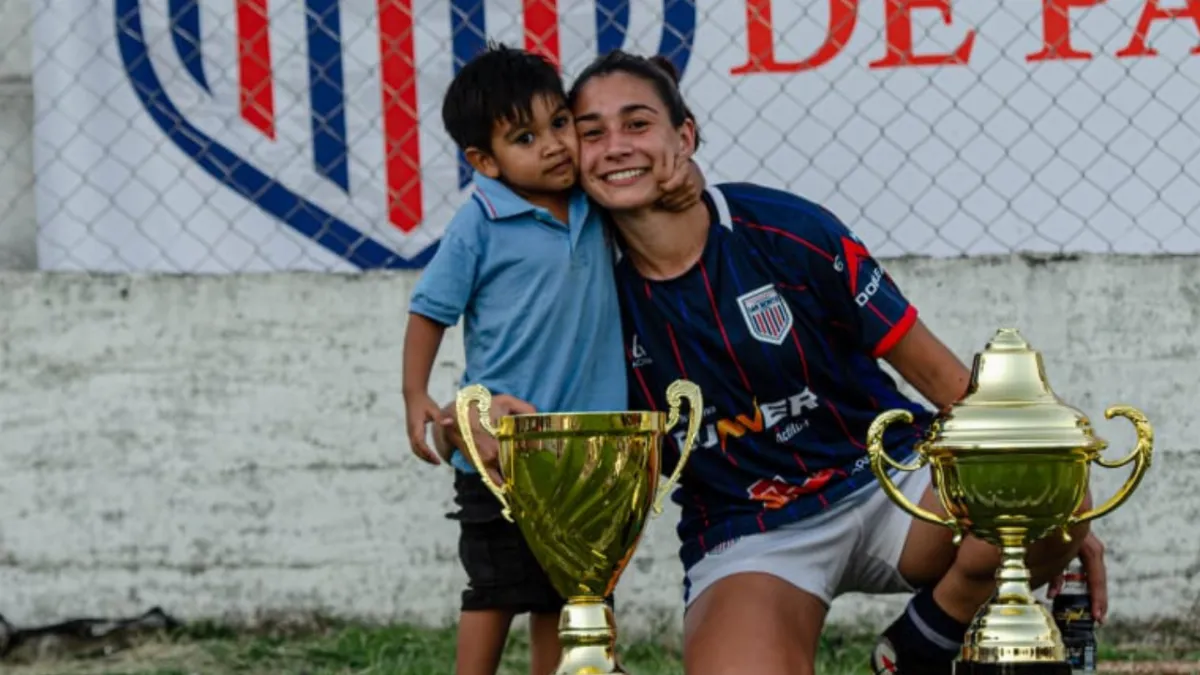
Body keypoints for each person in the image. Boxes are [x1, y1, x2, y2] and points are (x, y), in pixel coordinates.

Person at [442, 49, 1109, 675]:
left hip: (891, 480)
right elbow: (522, 399)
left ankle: (928, 636)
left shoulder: (783, 229)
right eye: (591, 132)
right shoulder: (582, 284)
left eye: (637, 124)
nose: (615, 146)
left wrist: (1048, 506)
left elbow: (947, 382)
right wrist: (469, 418)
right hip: (750, 532)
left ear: (684, 135)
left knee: (1046, 464)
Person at [402, 44, 702, 675]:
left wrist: (686, 174)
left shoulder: (595, 203)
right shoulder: (480, 222)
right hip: (502, 449)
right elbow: (430, 310)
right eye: (525, 137)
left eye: (560, 123)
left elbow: (657, 186)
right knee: (495, 584)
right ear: (484, 161)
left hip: (590, 451)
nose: (554, 146)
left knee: (573, 586)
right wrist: (416, 396)